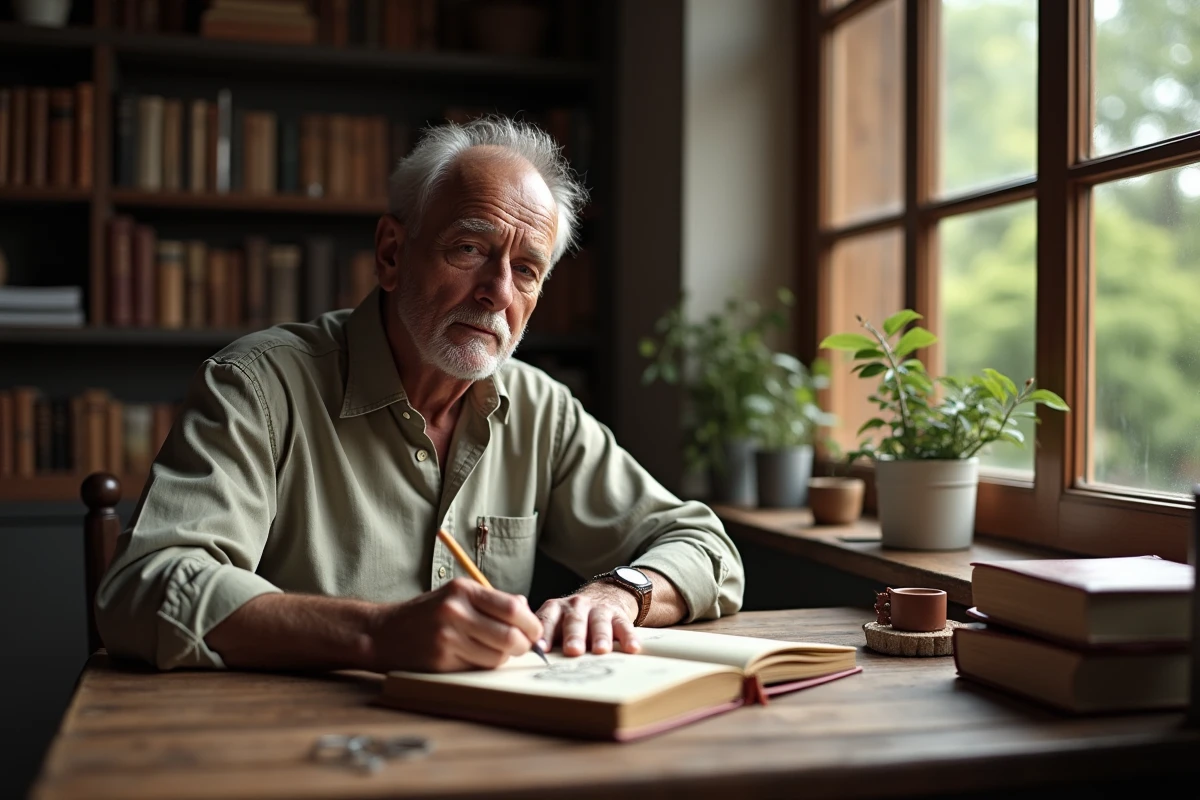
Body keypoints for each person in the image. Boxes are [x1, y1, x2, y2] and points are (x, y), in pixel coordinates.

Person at [96, 116, 744, 673]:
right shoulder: (259, 389)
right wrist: (374, 634)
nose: (498, 292)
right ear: (391, 254)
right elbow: (145, 589)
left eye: (527, 271)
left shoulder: (540, 409)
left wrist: (620, 591)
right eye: (469, 249)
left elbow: (706, 548)